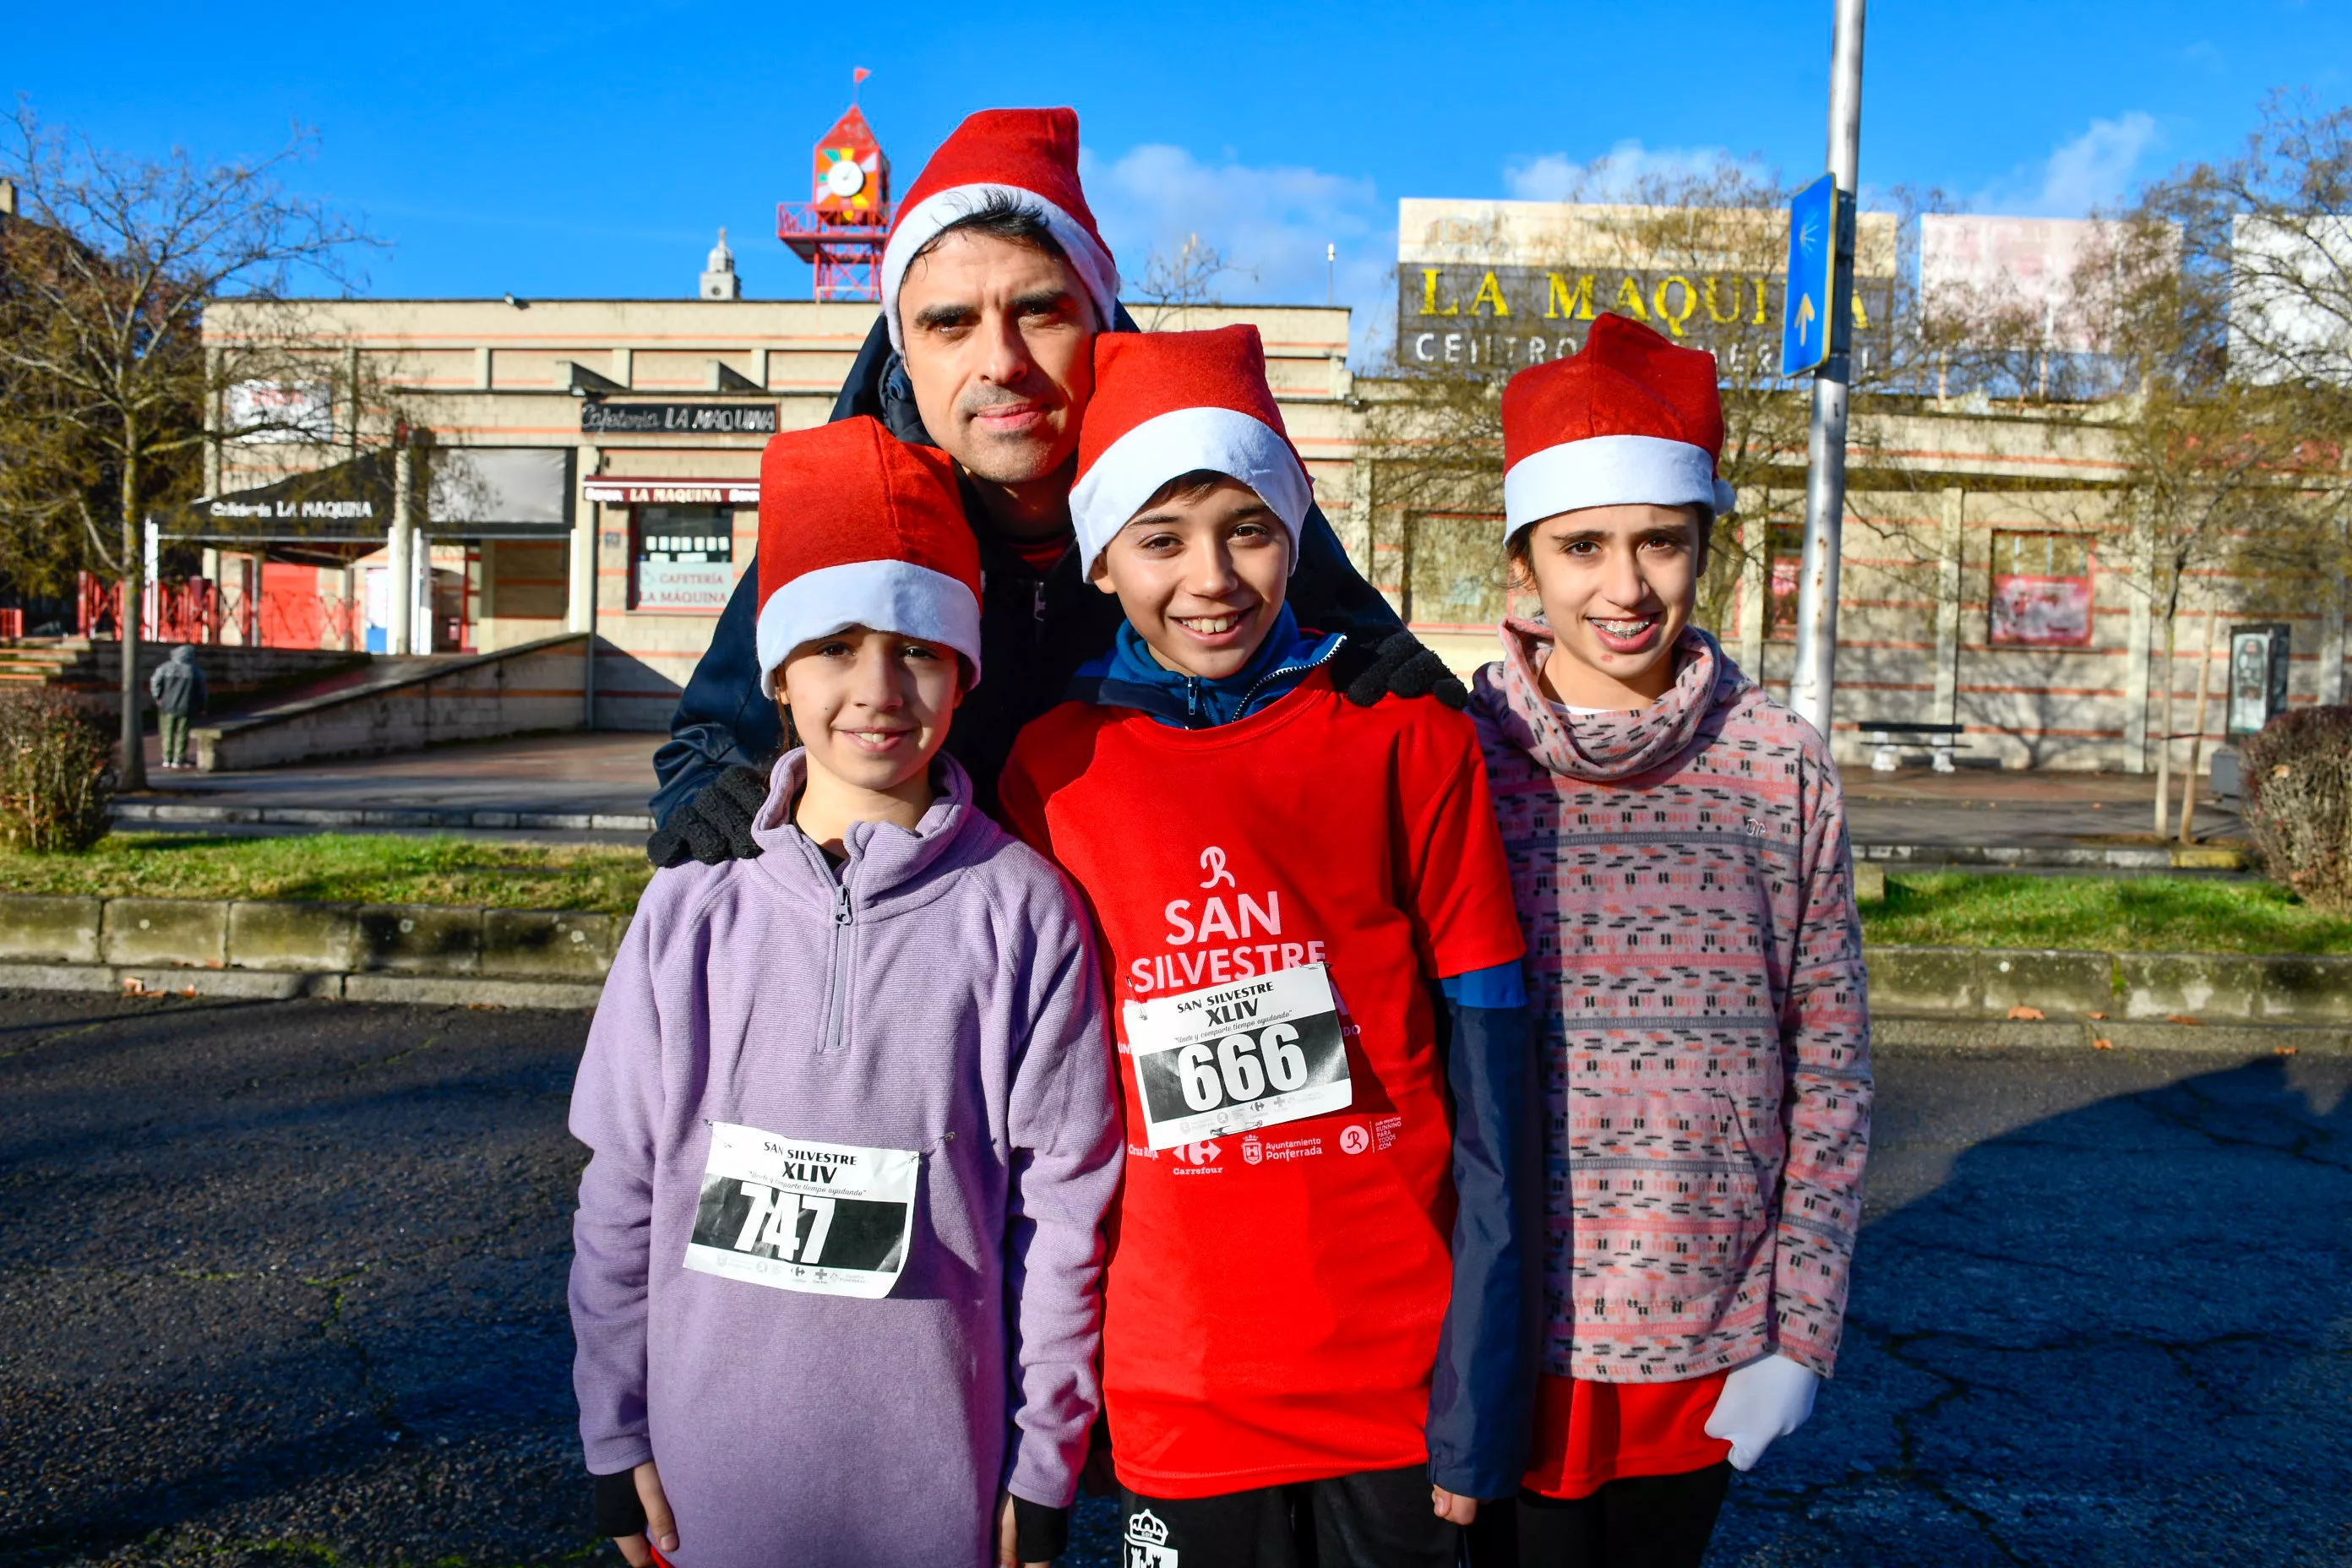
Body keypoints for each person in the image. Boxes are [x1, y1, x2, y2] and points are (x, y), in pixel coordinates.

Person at [998, 325, 1539, 1567]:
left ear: (1298, 535)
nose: (1213, 577)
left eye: (1249, 528)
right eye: (1162, 539)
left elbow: (1496, 1091)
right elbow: (1035, 1124)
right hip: (1177, 1381)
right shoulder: (1052, 768)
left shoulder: (1406, 734)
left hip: (1395, 1375)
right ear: (1101, 564)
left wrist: (1482, 1381)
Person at [569, 415, 1124, 1568]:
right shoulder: (686, 917)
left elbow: (1062, 1218)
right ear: (775, 672)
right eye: (834, 647)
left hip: (944, 1492)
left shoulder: (1027, 913)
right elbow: (619, 1196)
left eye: (917, 649)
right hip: (713, 1484)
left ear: (965, 668)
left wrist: (1044, 1457)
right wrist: (612, 1430)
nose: (877, 688)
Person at [649, 106, 1456, 863]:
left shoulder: (1210, 505)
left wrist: (1383, 680)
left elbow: (1357, 649)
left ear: (1101, 328)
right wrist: (734, 803)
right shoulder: (857, 526)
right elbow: (706, 753)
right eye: (949, 323)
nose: (1001, 362)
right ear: (903, 351)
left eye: (1039, 312)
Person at [1461, 314, 1873, 1568]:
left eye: (1662, 543)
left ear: (1708, 548)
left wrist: (1801, 1332)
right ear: (1526, 562)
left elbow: (1834, 1070)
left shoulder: (1778, 765)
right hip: (1500, 1326)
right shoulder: (1459, 761)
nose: (1624, 586)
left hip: (1704, 1333)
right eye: (1583, 546)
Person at [149, 645, 206, 770]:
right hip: (186, 706)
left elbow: (155, 682)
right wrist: (201, 706)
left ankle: (167, 758)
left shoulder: (165, 668)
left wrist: (158, 697)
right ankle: (179, 758)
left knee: (167, 733)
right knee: (182, 733)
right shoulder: (194, 671)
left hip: (167, 705)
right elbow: (201, 691)